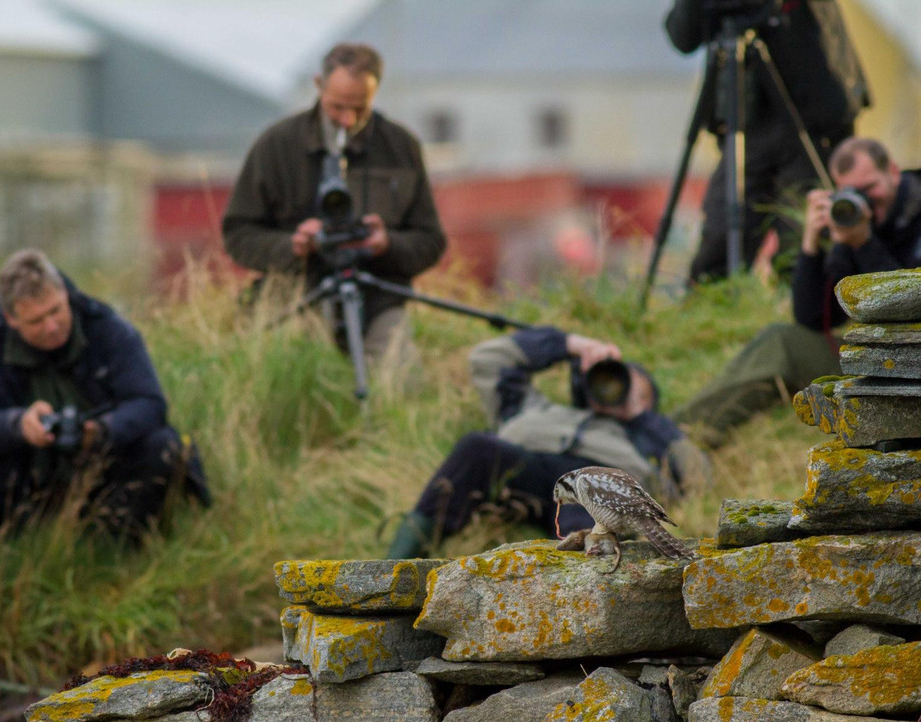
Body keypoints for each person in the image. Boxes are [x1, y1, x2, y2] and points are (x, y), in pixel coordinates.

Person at [0, 249, 210, 535]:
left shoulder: (111, 330)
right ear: (11, 319)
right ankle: (25, 540)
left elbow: (150, 404)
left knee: (163, 445)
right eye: (36, 321)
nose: (52, 327)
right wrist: (19, 425)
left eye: (56, 310)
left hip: (106, 467)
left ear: (64, 293)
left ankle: (116, 539)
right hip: (27, 475)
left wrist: (103, 431)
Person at [673, 137, 921, 444]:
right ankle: (682, 435)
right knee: (782, 341)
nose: (864, 201)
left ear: (894, 172)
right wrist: (811, 244)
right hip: (878, 359)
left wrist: (865, 245)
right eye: (851, 192)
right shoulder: (852, 223)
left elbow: (912, 302)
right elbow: (812, 320)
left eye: (869, 189)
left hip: (912, 362)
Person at [386, 326, 708, 558]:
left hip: (596, 488)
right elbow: (487, 360)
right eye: (609, 381)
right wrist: (570, 344)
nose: (615, 391)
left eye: (629, 385)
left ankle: (584, 572)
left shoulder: (643, 439)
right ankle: (396, 566)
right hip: (529, 471)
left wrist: (642, 416)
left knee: (592, 496)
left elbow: (697, 477)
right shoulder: (536, 409)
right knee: (476, 448)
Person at [222, 42, 447, 367]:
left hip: (378, 299)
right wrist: (293, 246)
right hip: (297, 294)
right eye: (337, 107)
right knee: (301, 376)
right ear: (319, 85)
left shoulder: (400, 146)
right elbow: (238, 234)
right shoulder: (278, 145)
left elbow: (431, 240)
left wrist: (387, 244)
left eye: (360, 108)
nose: (347, 119)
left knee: (400, 380)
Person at [665, 0, 869, 284]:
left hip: (812, 117)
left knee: (804, 252)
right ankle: (715, 321)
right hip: (749, 126)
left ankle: (801, 323)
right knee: (717, 251)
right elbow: (682, 36)